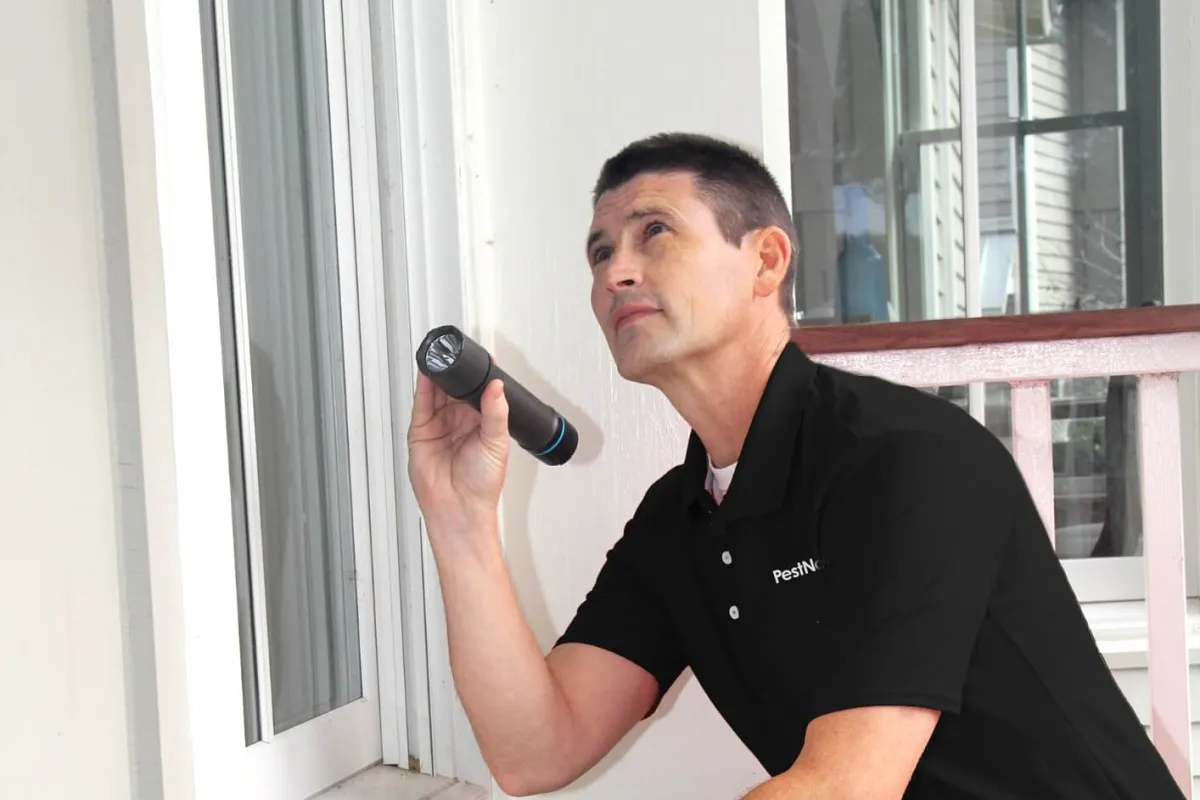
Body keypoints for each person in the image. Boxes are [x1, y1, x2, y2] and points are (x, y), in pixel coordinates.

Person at [406, 133, 1184, 799]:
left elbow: (847, 786)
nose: (615, 273)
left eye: (655, 233)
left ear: (766, 261)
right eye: (600, 251)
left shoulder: (908, 459)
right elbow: (533, 751)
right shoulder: (678, 520)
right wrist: (460, 516)